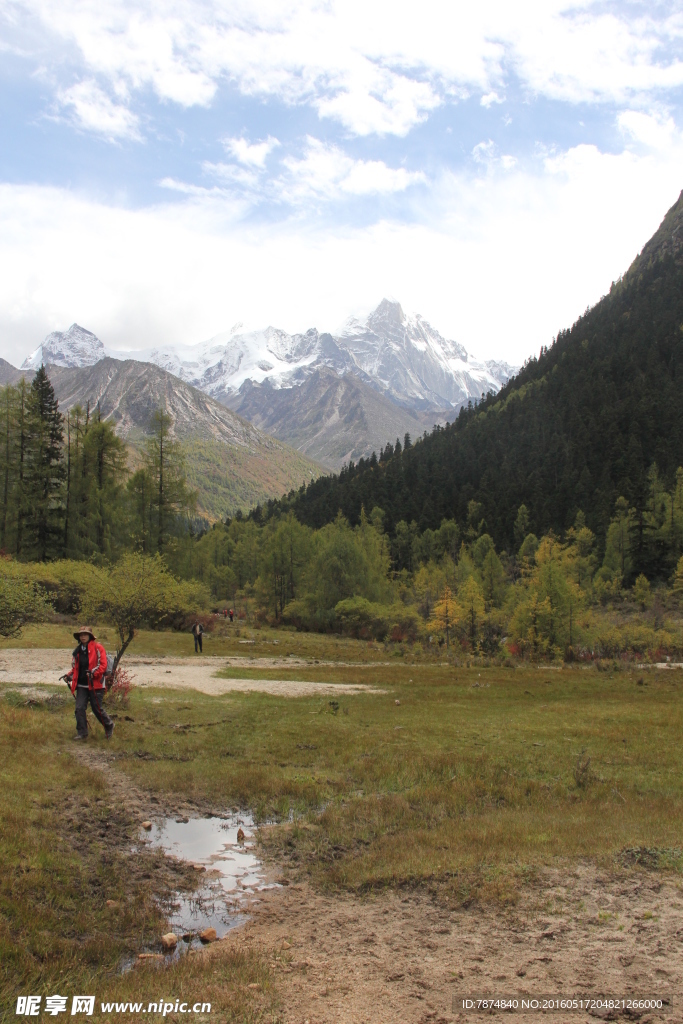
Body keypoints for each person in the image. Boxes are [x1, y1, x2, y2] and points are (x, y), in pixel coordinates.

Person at [65, 627, 114, 741]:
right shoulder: (77, 651)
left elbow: (103, 665)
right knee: (79, 708)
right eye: (81, 635)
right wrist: (69, 676)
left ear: (90, 636)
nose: (83, 636)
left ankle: (109, 725)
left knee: (96, 708)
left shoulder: (98, 648)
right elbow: (76, 668)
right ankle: (82, 733)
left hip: (96, 684)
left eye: (85, 634)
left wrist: (93, 674)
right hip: (82, 685)